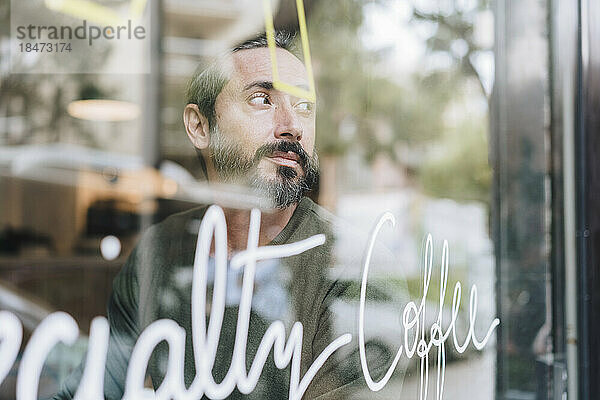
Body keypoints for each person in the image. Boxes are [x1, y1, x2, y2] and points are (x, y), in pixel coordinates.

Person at [54, 30, 399, 400]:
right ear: (200, 127)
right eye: (262, 99)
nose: (293, 126)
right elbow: (94, 387)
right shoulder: (161, 251)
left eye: (303, 106)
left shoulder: (349, 262)